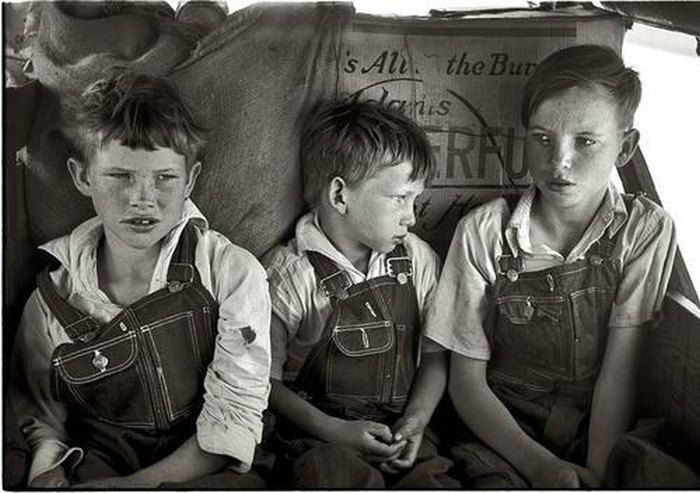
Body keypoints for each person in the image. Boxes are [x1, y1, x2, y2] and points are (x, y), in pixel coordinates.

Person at [425, 44, 677, 488]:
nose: (559, 160)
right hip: (501, 433)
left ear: (625, 147)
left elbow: (620, 372)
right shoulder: (484, 232)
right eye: (542, 138)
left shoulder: (645, 230)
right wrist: (541, 466)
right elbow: (466, 382)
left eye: (585, 142)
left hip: (599, 428)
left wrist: (597, 473)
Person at [9, 70, 272, 488]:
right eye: (120, 176)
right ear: (82, 176)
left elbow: (234, 421)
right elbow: (42, 418)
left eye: (164, 177)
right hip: (99, 463)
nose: (142, 198)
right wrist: (51, 470)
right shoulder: (49, 303)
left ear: (191, 179)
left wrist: (131, 488)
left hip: (207, 468)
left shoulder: (232, 273)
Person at [262, 100, 459, 488]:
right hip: (318, 437)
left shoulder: (417, 259)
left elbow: (435, 357)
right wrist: (334, 430)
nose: (412, 216)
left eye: (415, 200)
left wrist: (416, 422)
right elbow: (265, 383)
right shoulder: (288, 275)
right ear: (339, 196)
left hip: (399, 432)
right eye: (400, 198)